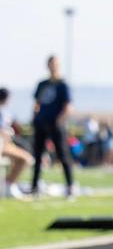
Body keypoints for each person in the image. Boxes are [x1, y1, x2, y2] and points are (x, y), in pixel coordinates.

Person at [30, 56, 76, 198]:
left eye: (55, 64)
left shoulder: (62, 85)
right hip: (41, 123)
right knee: (37, 155)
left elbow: (68, 105)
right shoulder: (42, 84)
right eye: (51, 64)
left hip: (55, 124)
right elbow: (37, 102)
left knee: (63, 154)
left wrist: (60, 120)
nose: (53, 66)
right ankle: (34, 186)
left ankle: (70, 186)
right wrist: (35, 116)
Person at [1, 87, 33, 199]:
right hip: (2, 144)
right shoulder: (3, 113)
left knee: (23, 159)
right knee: (26, 159)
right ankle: (8, 185)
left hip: (5, 144)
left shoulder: (6, 112)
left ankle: (7, 184)